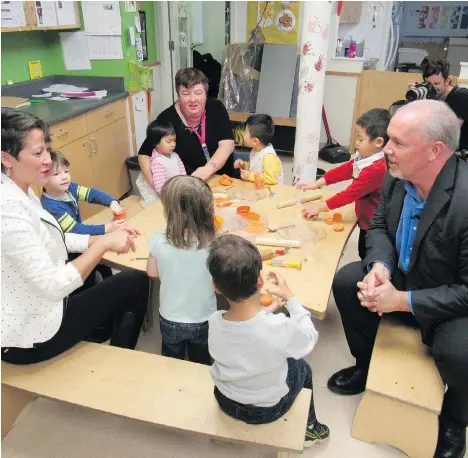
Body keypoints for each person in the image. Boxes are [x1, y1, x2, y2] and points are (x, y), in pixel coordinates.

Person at [329, 100, 467, 458]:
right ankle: (367, 365)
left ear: (435, 151)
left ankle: (454, 419)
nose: (386, 149)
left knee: (460, 351)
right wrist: (381, 268)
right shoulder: (394, 174)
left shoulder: (465, 199)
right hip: (403, 277)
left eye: (398, 143)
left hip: (448, 301)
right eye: (387, 139)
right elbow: (379, 228)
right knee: (347, 282)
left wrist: (402, 301)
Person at [1, 109, 149, 364]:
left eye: (47, 149)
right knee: (134, 281)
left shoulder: (19, 187)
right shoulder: (8, 212)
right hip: (30, 336)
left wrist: (99, 239)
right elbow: (52, 286)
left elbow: (54, 237)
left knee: (101, 276)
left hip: (37, 308)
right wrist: (102, 243)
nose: (48, 160)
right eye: (38, 153)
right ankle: (120, 363)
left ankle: (100, 335)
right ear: (6, 158)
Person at [207, 234, 329, 447]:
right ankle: (310, 429)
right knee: (303, 368)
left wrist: (266, 314)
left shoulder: (214, 322)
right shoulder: (277, 327)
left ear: (216, 287)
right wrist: (291, 299)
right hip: (265, 410)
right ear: (260, 281)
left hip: (225, 399)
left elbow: (244, 340)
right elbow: (309, 338)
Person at [299, 108, 390, 259]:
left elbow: (349, 194)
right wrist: (318, 183)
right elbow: (345, 170)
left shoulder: (377, 168)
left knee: (368, 255)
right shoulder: (366, 156)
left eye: (361, 140)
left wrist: (320, 207)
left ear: (378, 142)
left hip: (373, 223)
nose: (356, 143)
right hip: (365, 216)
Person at [146, 175, 217, 365]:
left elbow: (152, 273)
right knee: (201, 359)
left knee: (172, 360)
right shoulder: (214, 243)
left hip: (170, 316)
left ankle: (172, 384)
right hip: (203, 317)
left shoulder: (159, 239)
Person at [138, 68, 236, 183]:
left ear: (205, 94)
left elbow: (227, 145)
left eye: (198, 93)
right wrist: (158, 188)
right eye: (185, 93)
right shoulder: (167, 118)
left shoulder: (216, 108)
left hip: (225, 178)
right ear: (178, 96)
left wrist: (207, 169)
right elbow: (144, 154)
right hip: (190, 184)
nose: (193, 99)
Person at [41, 150, 126, 235]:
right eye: (56, 174)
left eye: (66, 171)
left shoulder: (70, 188)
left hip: (79, 238)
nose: (64, 177)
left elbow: (91, 194)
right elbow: (75, 229)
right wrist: (105, 228)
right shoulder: (51, 207)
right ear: (42, 179)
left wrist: (112, 202)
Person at [136, 120, 186, 207]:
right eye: (168, 142)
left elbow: (183, 173)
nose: (173, 145)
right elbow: (159, 186)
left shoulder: (175, 156)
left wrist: (184, 185)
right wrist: (170, 196)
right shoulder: (157, 161)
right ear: (156, 143)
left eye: (174, 140)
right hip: (162, 194)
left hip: (174, 189)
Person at [420, 59, 468, 151]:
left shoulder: (462, 97)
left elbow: (448, 133)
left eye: (436, 83)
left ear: (447, 81)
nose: (432, 88)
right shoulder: (432, 97)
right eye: (429, 84)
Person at [233, 114, 284, 185]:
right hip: (259, 188)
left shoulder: (269, 157)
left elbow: (271, 179)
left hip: (271, 192)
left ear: (255, 141)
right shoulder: (255, 150)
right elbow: (255, 167)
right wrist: (244, 165)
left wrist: (250, 176)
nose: (243, 134)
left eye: (245, 132)